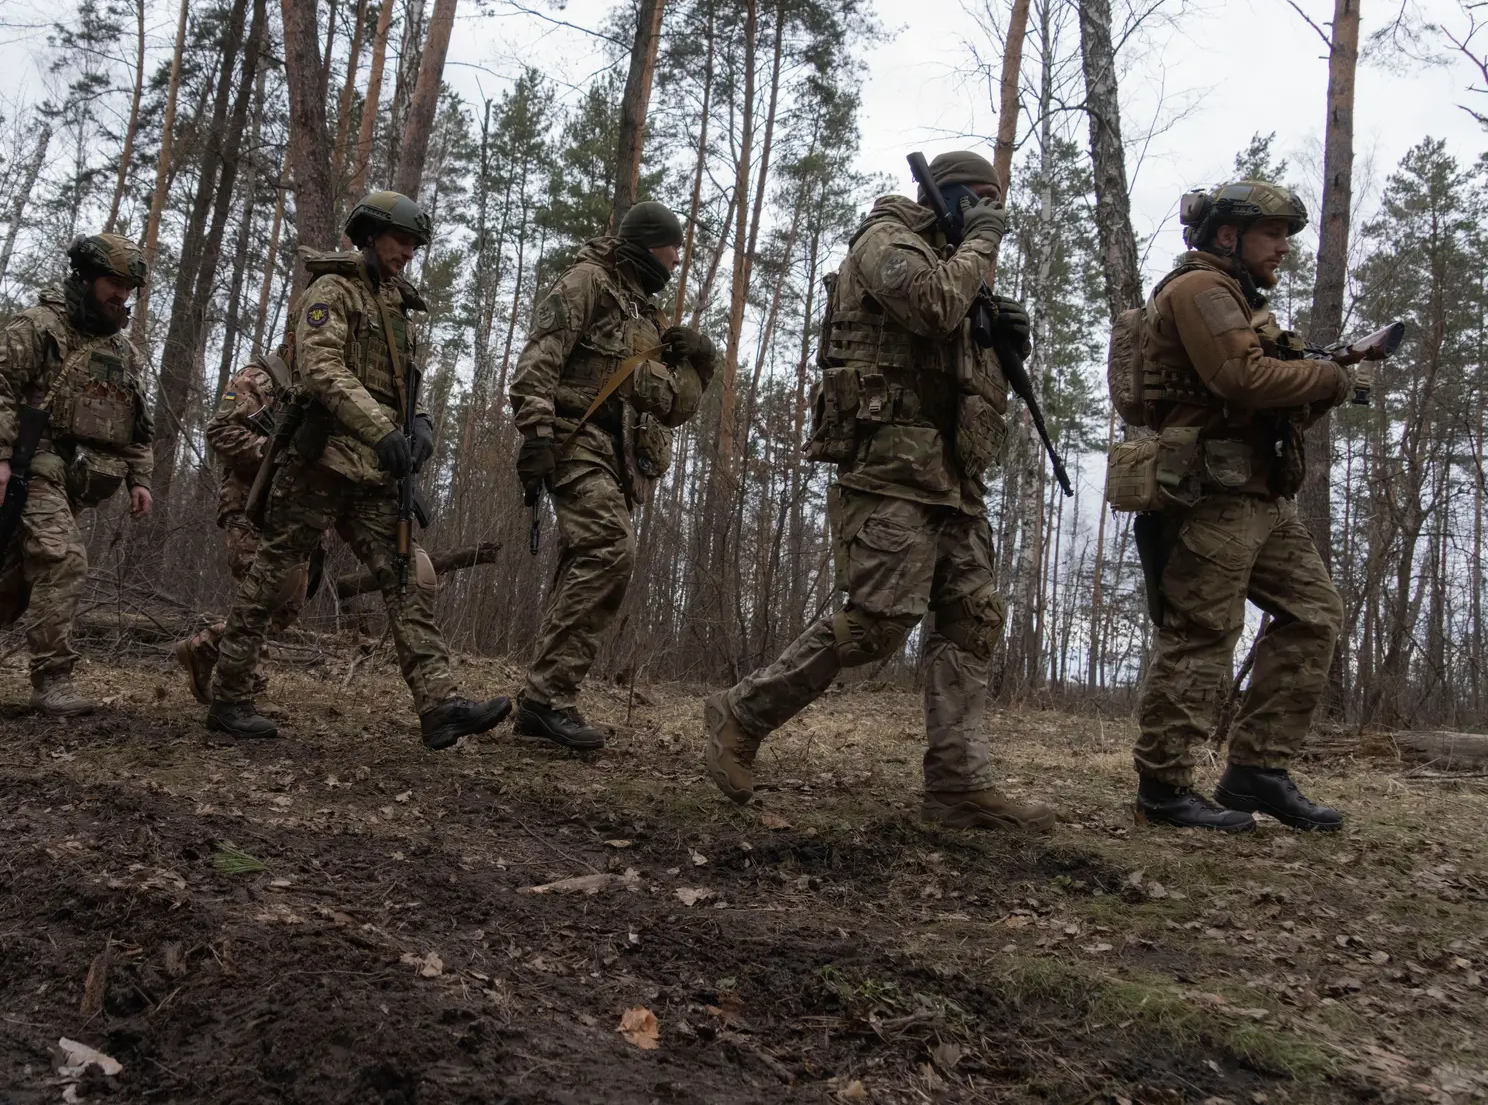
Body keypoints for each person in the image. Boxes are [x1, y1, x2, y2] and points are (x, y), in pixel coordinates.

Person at [703, 150, 1056, 833]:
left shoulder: (962, 271)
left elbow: (956, 365)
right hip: (891, 471)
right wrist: (982, 244)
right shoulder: (887, 243)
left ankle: (957, 784)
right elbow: (929, 306)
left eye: (996, 201)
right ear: (947, 197)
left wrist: (1004, 339)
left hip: (953, 481)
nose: (992, 211)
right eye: (979, 199)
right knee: (876, 625)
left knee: (973, 620)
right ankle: (741, 712)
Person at [202, 190, 512, 749]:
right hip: (317, 463)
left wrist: (420, 428)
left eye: (416, 245)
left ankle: (438, 706)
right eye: (400, 241)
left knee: (404, 579)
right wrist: (382, 429)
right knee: (272, 578)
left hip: (371, 474)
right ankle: (228, 698)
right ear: (368, 235)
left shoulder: (397, 309)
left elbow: (405, 388)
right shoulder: (331, 291)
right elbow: (320, 368)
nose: (409, 253)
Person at [1123, 180, 1374, 833]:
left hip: (1261, 495)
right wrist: (1333, 374)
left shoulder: (1242, 304)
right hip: (1211, 497)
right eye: (1274, 233)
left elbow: (1279, 393)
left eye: (1289, 235)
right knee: (1201, 635)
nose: (1285, 248)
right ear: (1228, 236)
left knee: (1314, 615)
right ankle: (1164, 788)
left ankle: (1256, 771)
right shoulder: (1200, 291)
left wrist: (1342, 374)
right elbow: (1243, 379)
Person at [508, 200, 713, 749]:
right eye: (671, 248)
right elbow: (537, 362)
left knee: (594, 559)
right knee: (609, 547)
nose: (675, 261)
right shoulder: (586, 283)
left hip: (618, 457)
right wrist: (536, 436)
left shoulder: (645, 314)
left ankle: (542, 704)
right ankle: (544, 700)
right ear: (647, 245)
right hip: (573, 441)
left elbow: (674, 407)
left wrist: (701, 362)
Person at [0, 234, 156, 714]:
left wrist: (140, 478)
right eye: (114, 283)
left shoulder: (122, 351)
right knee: (63, 559)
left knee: (13, 581)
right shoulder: (40, 326)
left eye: (128, 287)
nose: (121, 295)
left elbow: (135, 420)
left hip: (78, 479)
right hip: (31, 468)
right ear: (88, 278)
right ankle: (52, 678)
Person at [173, 337, 311, 703]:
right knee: (261, 597)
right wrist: (268, 449)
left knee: (287, 605)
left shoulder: (320, 390)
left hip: (294, 511)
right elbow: (219, 432)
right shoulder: (257, 379)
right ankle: (244, 687)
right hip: (250, 504)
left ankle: (207, 647)